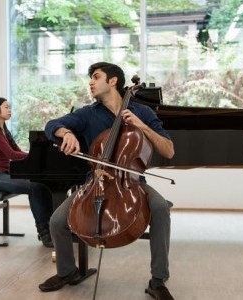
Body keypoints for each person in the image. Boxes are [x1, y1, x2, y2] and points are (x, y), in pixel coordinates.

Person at [38, 62, 176, 300]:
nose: (90, 82)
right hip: (96, 180)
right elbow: (52, 125)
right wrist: (67, 133)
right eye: (90, 78)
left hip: (131, 182)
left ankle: (158, 280)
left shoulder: (143, 113)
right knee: (57, 221)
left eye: (95, 77)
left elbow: (169, 150)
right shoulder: (88, 114)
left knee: (161, 208)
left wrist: (141, 126)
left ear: (113, 81)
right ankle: (67, 272)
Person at [0, 97, 54, 248]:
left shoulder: (3, 130)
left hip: (4, 175)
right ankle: (44, 233)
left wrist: (33, 156)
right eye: (6, 107)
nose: (10, 110)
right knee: (35, 187)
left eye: (9, 107)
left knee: (41, 184)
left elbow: (17, 151)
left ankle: (50, 228)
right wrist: (35, 156)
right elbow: (11, 155)